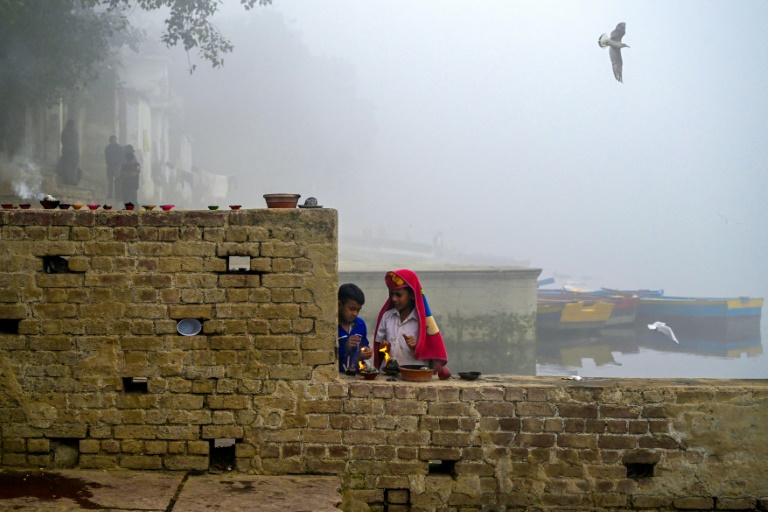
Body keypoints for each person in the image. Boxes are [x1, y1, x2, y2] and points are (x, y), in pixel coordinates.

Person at [373, 269, 451, 379]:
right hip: (387, 375)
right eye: (391, 294)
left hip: (414, 376)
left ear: (412, 295)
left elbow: (433, 352)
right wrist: (384, 347)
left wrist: (416, 347)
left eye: (399, 295)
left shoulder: (424, 322)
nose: (394, 299)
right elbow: (378, 348)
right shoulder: (387, 316)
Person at [337, 283, 372, 372]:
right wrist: (345, 347)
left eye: (358, 310)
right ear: (339, 305)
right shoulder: (331, 327)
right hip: (337, 376)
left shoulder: (360, 325)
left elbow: (364, 345)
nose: (355, 313)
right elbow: (326, 357)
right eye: (352, 309)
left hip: (356, 375)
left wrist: (365, 352)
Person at [58, 119, 80, 185]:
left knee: (74, 166)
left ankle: (73, 180)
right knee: (68, 166)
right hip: (68, 152)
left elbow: (76, 142)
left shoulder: (75, 132)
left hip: (74, 152)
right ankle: (68, 180)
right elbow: (64, 141)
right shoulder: (65, 132)